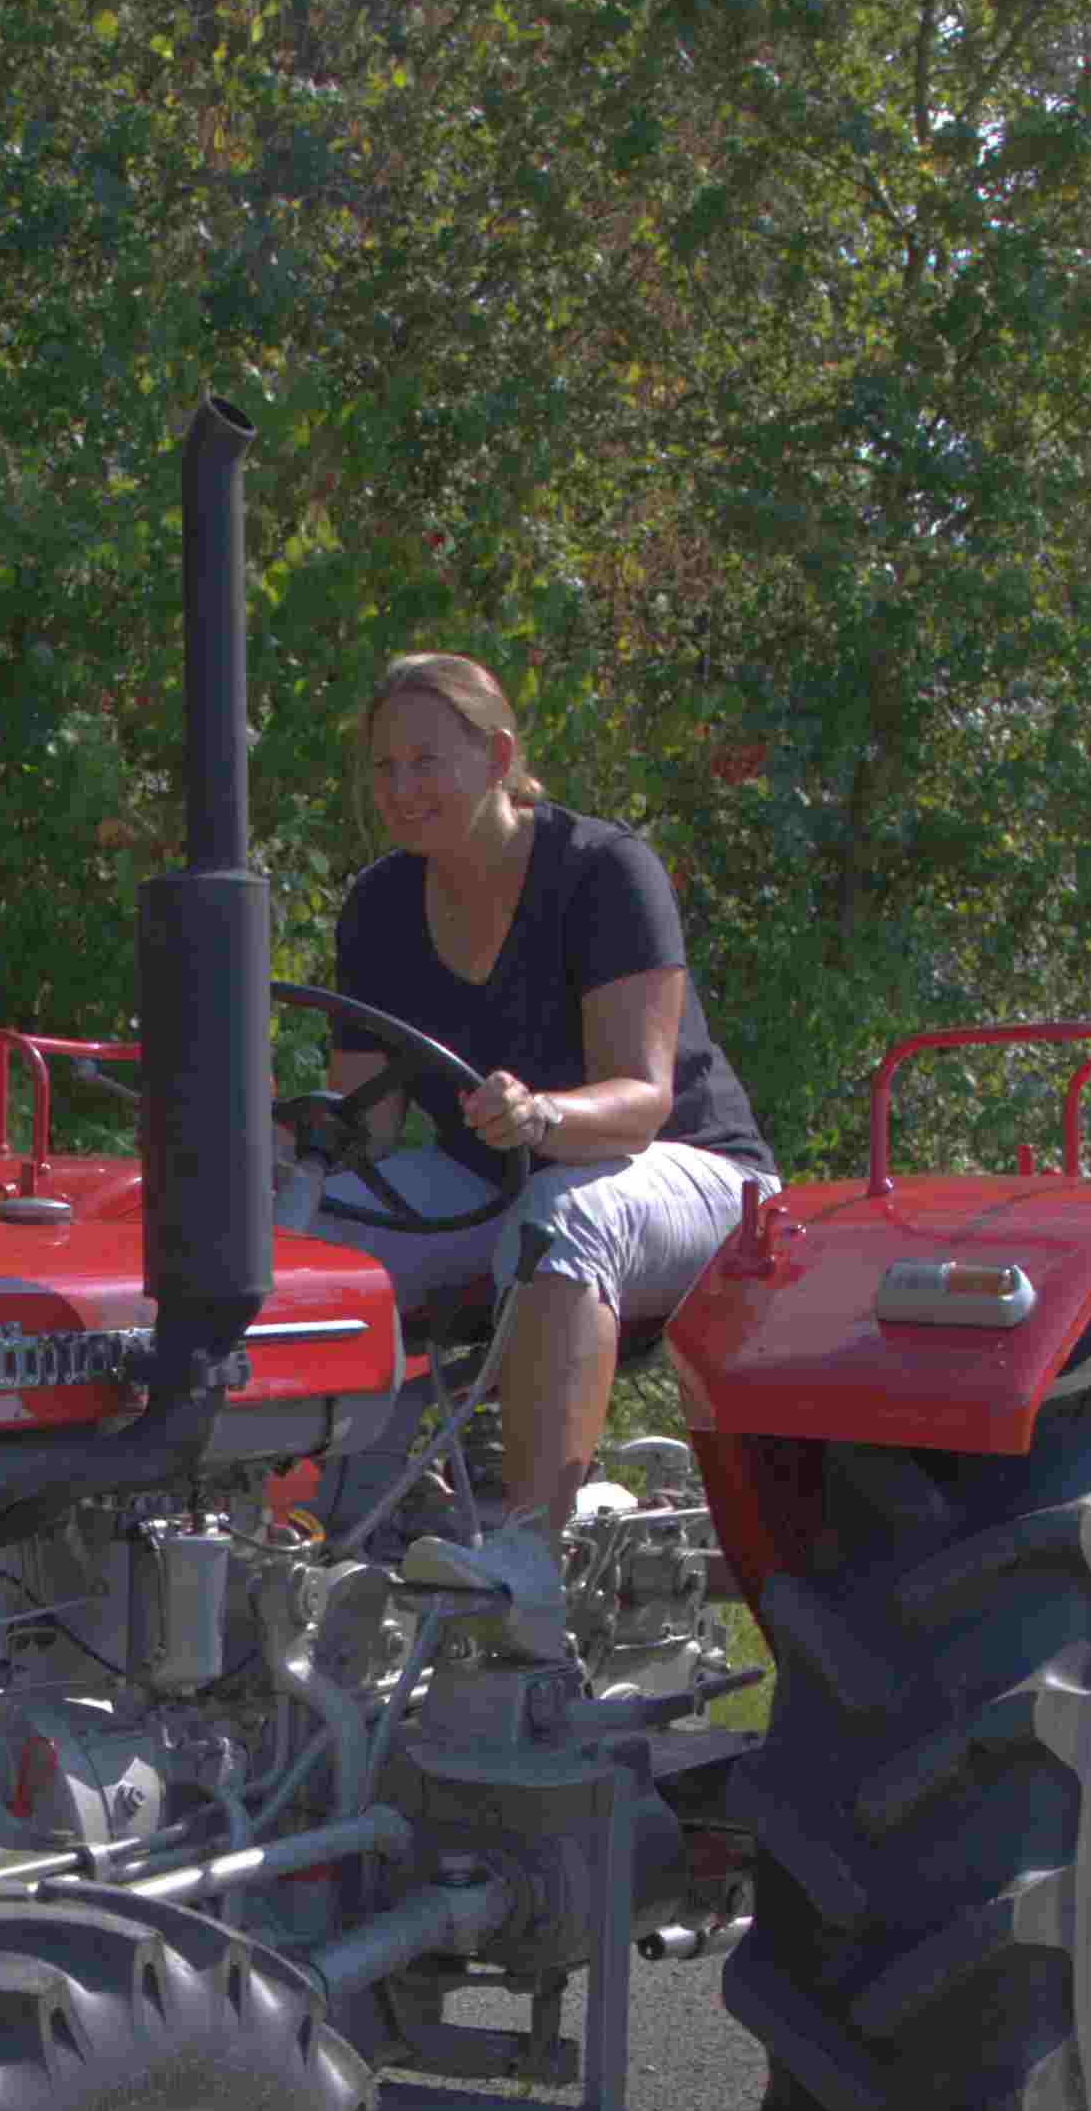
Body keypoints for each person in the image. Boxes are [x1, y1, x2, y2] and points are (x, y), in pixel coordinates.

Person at [308, 652, 775, 1656]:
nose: (400, 789)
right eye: (383, 768)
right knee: (313, 1227)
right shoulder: (379, 905)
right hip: (498, 1174)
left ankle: (527, 1557)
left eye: (426, 761)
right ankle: (331, 1529)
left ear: (501, 757)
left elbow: (641, 1103)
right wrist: (273, 1143)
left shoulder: (604, 871)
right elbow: (366, 1128)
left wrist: (543, 1115)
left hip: (690, 1172)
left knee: (564, 1217)